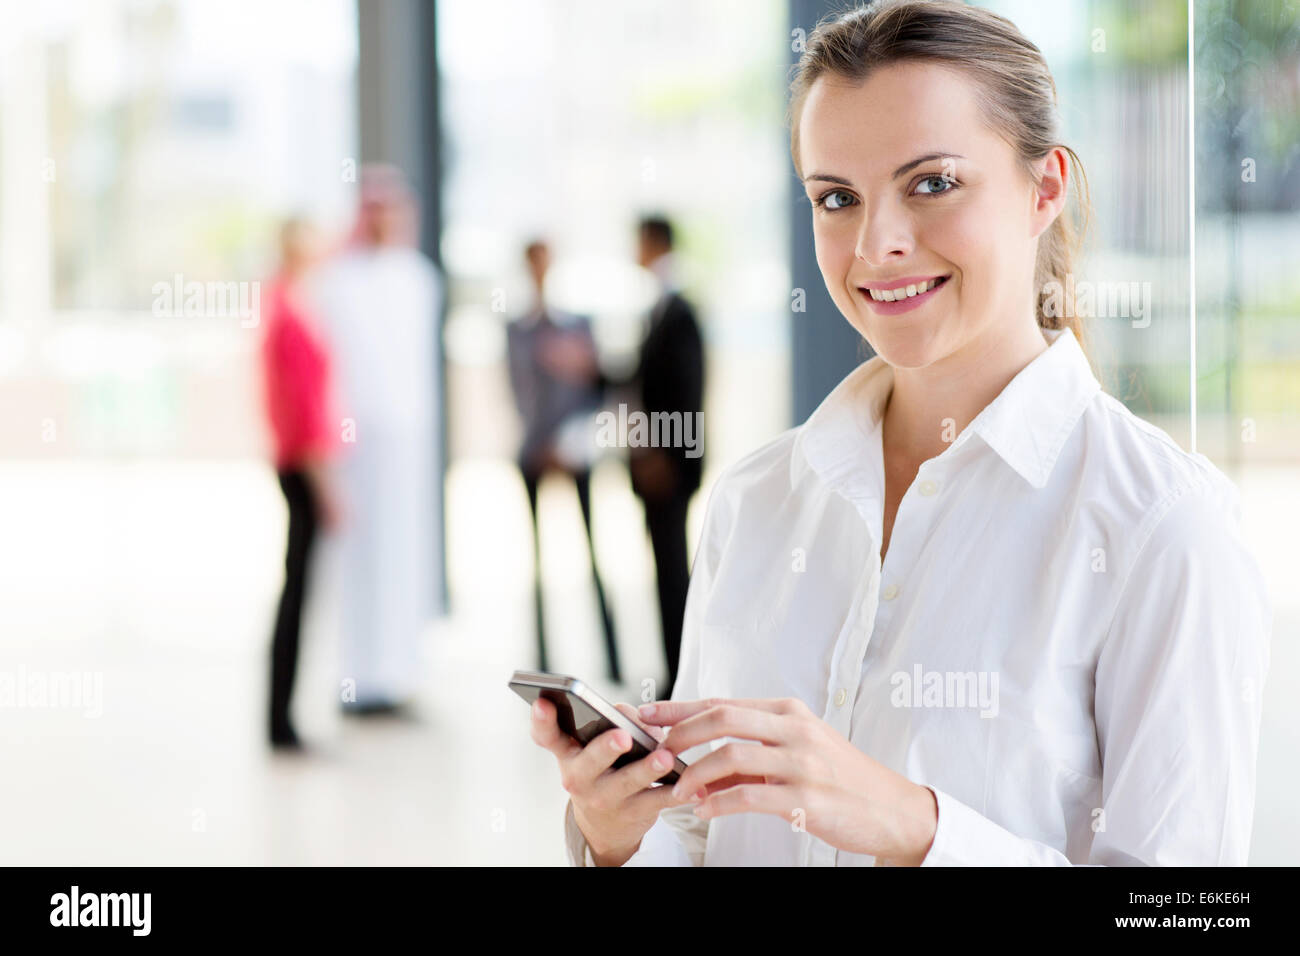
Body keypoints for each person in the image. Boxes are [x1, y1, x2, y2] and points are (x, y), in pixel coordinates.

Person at [530, 0, 1271, 866]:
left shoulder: (1163, 529)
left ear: (1045, 188)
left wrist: (917, 828)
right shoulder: (756, 502)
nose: (876, 244)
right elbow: (701, 833)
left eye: (932, 183)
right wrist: (616, 838)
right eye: (837, 198)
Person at [307, 165, 443, 715]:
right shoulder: (339, 278)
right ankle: (358, 679)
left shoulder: (418, 278)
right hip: (358, 442)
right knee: (360, 562)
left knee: (405, 559)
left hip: (408, 443)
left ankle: (399, 676)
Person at [506, 239, 621, 681]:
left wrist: (567, 444)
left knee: (595, 554)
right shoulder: (516, 329)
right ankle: (543, 661)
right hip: (533, 453)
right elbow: (516, 393)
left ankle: (611, 658)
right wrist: (540, 443)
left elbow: (595, 390)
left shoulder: (580, 325)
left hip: (575, 453)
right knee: (534, 560)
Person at [260, 218, 342, 749]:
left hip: (296, 465)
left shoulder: (283, 301)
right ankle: (280, 721)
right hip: (302, 469)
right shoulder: (288, 313)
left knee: (297, 591)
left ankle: (282, 717)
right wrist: (327, 485)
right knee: (296, 594)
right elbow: (304, 410)